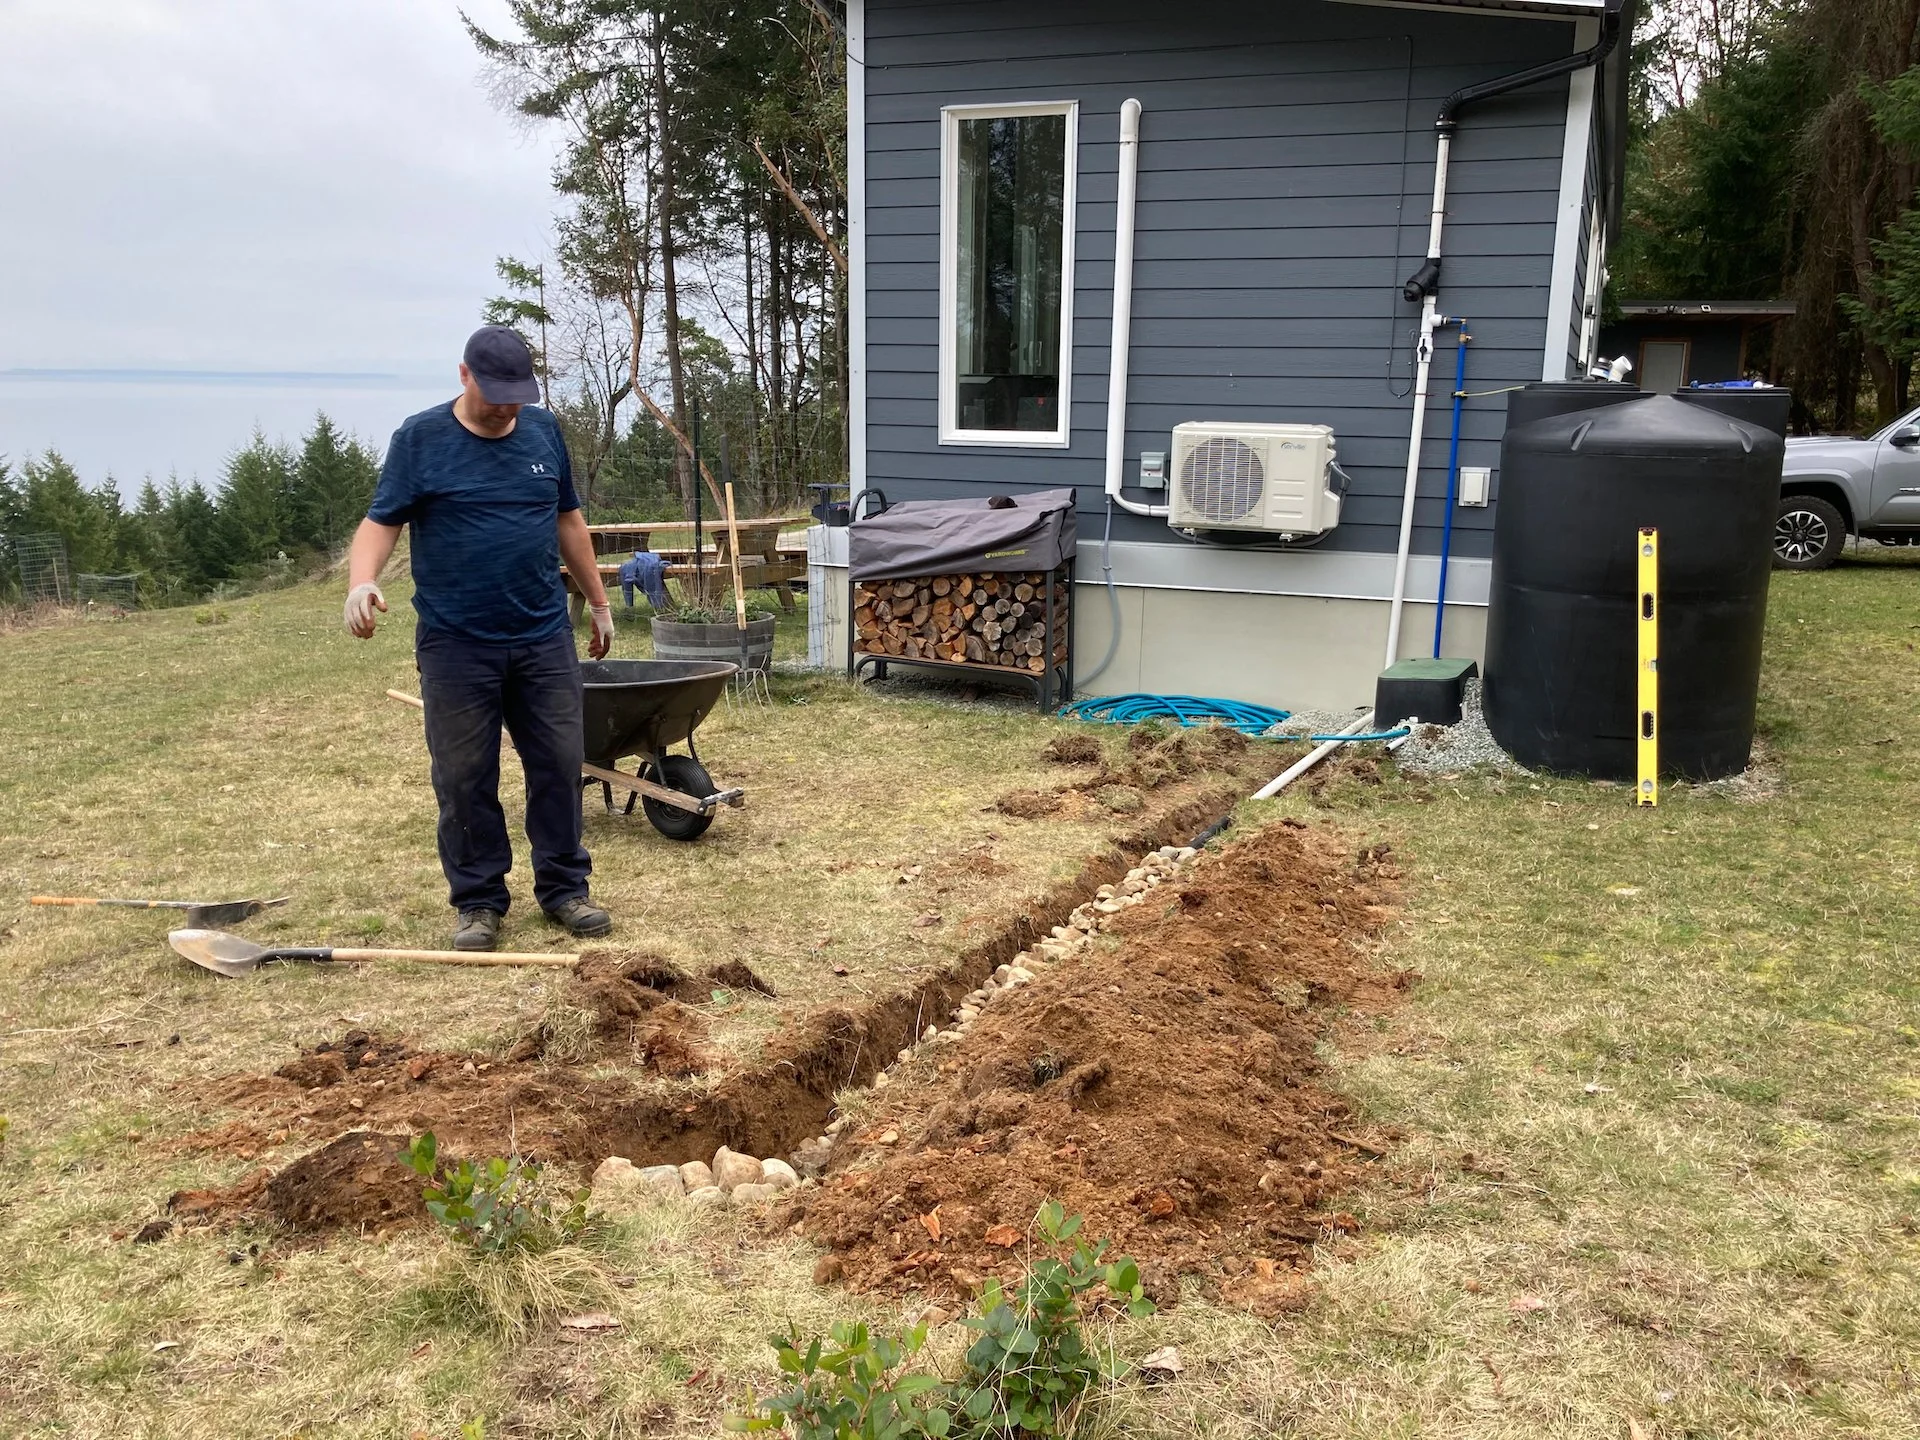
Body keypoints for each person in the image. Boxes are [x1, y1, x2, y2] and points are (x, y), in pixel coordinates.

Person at [342, 325, 615, 951]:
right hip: (457, 641)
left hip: (543, 634)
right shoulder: (421, 438)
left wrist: (597, 602)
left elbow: (568, 520)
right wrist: (361, 582)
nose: (506, 408)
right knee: (464, 776)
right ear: (464, 375)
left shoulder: (544, 431)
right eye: (496, 393)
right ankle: (479, 901)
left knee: (558, 764)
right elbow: (381, 522)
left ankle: (565, 890)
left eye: (518, 395)